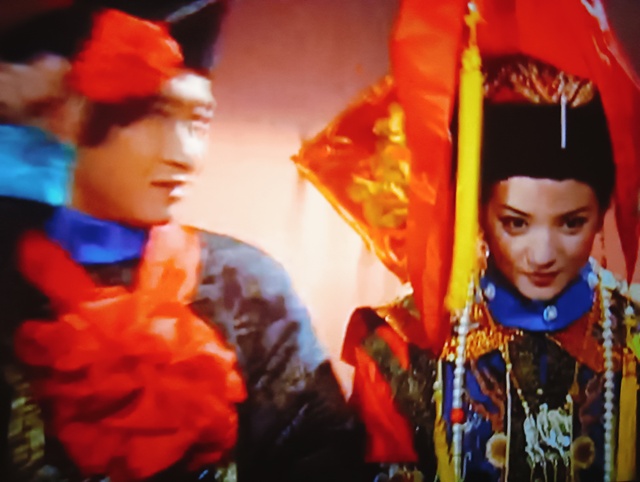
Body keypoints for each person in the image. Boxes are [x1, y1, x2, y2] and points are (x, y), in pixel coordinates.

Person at [0, 4, 361, 481]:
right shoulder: (9, 279)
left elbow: (324, 458)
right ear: (68, 113)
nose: (186, 155)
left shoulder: (247, 288)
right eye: (154, 115)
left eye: (198, 122)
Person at [294, 1, 640, 481]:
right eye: (515, 223)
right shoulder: (405, 349)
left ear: (601, 213)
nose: (542, 254)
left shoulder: (630, 340)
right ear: (478, 212)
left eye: (571, 223)